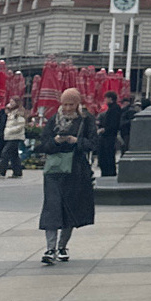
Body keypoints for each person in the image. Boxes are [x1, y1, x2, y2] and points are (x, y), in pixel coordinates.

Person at [37, 88, 98, 264]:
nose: (67, 108)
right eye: (64, 104)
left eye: (71, 104)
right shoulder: (53, 120)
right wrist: (55, 141)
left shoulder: (85, 120)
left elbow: (94, 144)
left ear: (78, 104)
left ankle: (62, 246)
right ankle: (50, 248)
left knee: (70, 208)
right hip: (54, 171)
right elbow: (43, 145)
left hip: (76, 170)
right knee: (52, 208)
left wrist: (76, 141)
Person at [95, 93, 124, 177]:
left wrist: (104, 129)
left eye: (106, 98)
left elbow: (113, 124)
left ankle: (108, 173)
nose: (105, 100)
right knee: (107, 155)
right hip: (108, 135)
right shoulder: (112, 108)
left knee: (108, 155)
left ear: (110, 99)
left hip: (109, 136)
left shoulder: (114, 109)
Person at [0, 107, 27, 178]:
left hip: (15, 136)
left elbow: (20, 126)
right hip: (8, 136)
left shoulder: (19, 114)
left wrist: (8, 130)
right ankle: (17, 172)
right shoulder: (9, 115)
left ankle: (2, 172)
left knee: (5, 153)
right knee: (14, 155)